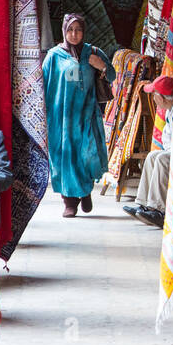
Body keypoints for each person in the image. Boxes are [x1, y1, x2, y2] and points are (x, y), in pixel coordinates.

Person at [42, 12, 116, 218]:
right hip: (61, 118)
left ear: (84, 31)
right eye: (70, 30)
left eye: (78, 30)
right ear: (64, 31)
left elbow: (112, 75)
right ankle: (70, 202)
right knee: (65, 158)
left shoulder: (93, 52)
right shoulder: (54, 56)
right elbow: (42, 85)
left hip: (87, 115)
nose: (74, 34)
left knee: (87, 156)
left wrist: (101, 66)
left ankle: (85, 192)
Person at [122, 75, 173, 227]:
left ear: (161, 97)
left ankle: (159, 210)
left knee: (161, 159)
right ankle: (144, 204)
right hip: (172, 149)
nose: (153, 98)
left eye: (154, 95)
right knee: (153, 156)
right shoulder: (170, 109)